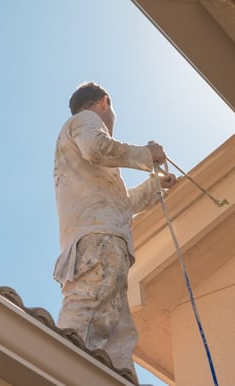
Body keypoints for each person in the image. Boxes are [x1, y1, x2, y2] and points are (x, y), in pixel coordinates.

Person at [53, 82, 176, 376]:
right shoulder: (85, 120)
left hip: (103, 240)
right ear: (104, 102)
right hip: (99, 241)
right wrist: (148, 154)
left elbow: (122, 202)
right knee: (88, 309)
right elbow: (98, 149)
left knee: (117, 332)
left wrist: (156, 184)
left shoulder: (85, 159)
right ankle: (55, 369)